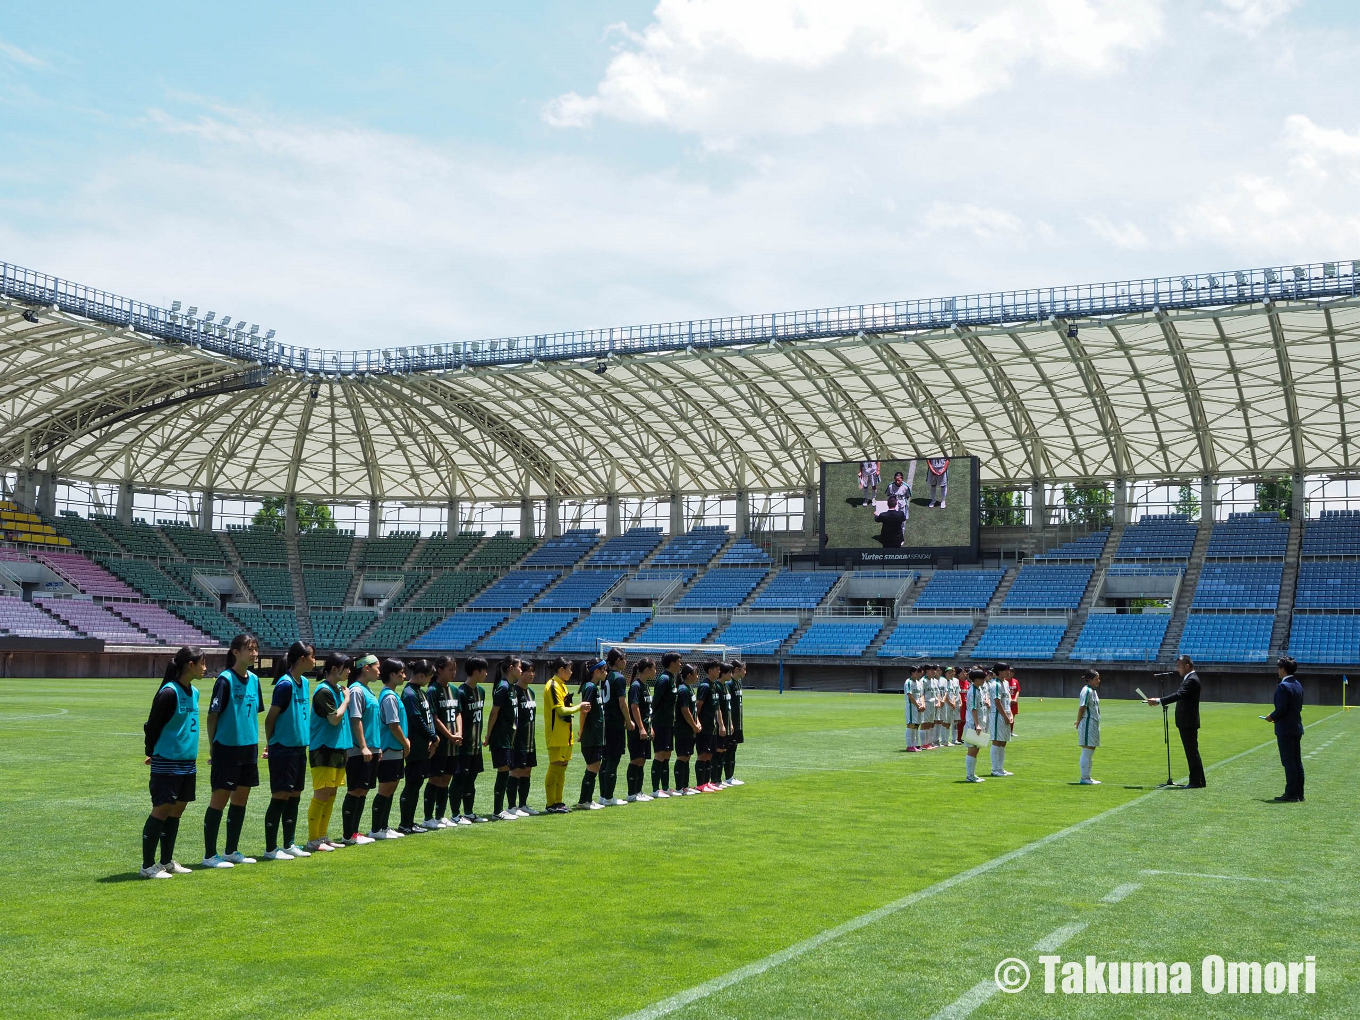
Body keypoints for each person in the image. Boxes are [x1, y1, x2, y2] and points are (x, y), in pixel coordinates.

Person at [141, 645, 206, 878]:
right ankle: (147, 866)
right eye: (202, 663)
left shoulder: (194, 692)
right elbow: (152, 726)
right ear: (190, 665)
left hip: (187, 762)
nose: (205, 668)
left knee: (177, 811)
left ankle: (166, 861)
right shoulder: (169, 693)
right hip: (167, 760)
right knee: (162, 809)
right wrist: (151, 751)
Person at [202, 634, 264, 868]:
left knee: (241, 800)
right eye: (249, 649)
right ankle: (210, 855)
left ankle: (231, 851)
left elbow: (253, 712)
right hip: (227, 748)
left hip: (248, 747)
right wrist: (213, 746)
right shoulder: (225, 680)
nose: (254, 653)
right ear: (236, 652)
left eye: (255, 649)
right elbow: (212, 717)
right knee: (219, 800)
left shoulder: (255, 680)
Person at [262, 640, 316, 861]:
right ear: (302, 658)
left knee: (295, 795)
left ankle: (289, 844)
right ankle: (270, 849)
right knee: (280, 796)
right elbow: (270, 719)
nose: (315, 660)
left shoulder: (304, 682)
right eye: (313, 656)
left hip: (299, 748)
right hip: (283, 749)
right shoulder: (285, 685)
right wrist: (272, 742)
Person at [305, 652, 353, 853]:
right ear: (334, 669)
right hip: (324, 749)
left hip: (337, 749)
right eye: (346, 667)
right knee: (322, 794)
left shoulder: (336, 690)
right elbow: (334, 719)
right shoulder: (324, 691)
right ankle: (313, 840)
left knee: (331, 794)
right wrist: (347, 700)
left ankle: (322, 836)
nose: (349, 671)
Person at [340, 654, 381, 845]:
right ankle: (348, 834)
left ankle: (355, 832)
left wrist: (376, 747)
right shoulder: (357, 690)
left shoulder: (367, 690)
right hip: (359, 750)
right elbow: (355, 720)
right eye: (377, 667)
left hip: (371, 748)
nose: (379, 671)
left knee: (363, 790)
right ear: (366, 668)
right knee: (356, 789)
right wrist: (363, 746)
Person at [1147, 654, 1205, 788]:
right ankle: (1199, 780)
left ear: (1187, 666)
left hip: (1188, 721)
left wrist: (1159, 701)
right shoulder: (1190, 679)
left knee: (1191, 752)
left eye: (1179, 666)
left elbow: (1179, 694)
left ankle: (1196, 781)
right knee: (1192, 751)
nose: (1177, 669)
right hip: (1187, 721)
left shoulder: (1192, 679)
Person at [368, 658, 410, 839]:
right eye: (401, 673)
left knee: (391, 787)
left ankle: (383, 827)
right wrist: (406, 743)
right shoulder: (389, 697)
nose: (404, 676)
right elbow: (393, 725)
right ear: (392, 675)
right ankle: (376, 829)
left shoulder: (391, 695)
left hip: (394, 748)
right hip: (390, 748)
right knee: (386, 789)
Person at [397, 658, 437, 834]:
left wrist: (431, 739)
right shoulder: (409, 694)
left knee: (417, 783)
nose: (429, 680)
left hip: (423, 745)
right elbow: (417, 720)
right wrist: (433, 736)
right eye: (428, 677)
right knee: (412, 784)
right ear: (421, 675)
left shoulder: (420, 692)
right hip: (414, 746)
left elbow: (428, 718)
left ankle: (410, 822)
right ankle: (405, 824)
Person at [543, 656, 586, 813]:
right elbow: (560, 710)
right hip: (556, 735)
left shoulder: (562, 685)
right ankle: (550, 804)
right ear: (561, 669)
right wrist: (579, 707)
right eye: (569, 669)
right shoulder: (552, 685)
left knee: (562, 769)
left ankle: (558, 802)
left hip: (566, 734)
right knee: (555, 768)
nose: (571, 672)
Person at [422, 655, 459, 828]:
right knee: (435, 779)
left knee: (446, 780)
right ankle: (428, 817)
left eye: (455, 669)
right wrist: (450, 736)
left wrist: (458, 732)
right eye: (450, 669)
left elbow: (458, 713)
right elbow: (434, 718)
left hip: (454, 744)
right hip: (439, 744)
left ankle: (440, 816)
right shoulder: (433, 691)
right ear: (439, 670)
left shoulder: (455, 690)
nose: (454, 672)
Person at [485, 656, 521, 821]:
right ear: (511, 667)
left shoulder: (511, 687)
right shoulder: (503, 686)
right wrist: (488, 735)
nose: (521, 670)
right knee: (503, 771)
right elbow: (494, 712)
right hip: (501, 737)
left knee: (505, 771)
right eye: (520, 667)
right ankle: (497, 810)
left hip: (509, 736)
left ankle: (500, 809)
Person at [452, 657, 488, 822]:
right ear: (475, 671)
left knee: (471, 779)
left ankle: (468, 812)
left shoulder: (481, 691)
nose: (486, 673)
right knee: (459, 779)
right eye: (484, 670)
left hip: (476, 745)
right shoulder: (461, 692)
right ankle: (455, 814)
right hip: (463, 745)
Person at [1266, 656, 1305, 802]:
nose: (1278, 670)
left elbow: (1281, 708)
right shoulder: (1298, 685)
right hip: (1296, 727)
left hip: (1286, 729)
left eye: (1279, 668)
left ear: (1283, 669)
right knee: (1297, 762)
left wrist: (1271, 716)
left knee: (1288, 762)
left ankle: (1291, 794)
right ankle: (1299, 793)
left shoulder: (1283, 686)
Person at [599, 648, 633, 807]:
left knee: (606, 760)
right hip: (615, 723)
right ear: (618, 660)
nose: (626, 662)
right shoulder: (619, 678)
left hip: (606, 722)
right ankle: (608, 797)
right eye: (624, 659)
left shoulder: (606, 677)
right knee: (613, 760)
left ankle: (603, 795)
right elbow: (622, 702)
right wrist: (628, 720)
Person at [574, 659, 607, 809]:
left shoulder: (593, 687)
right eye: (604, 669)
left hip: (596, 734)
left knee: (594, 767)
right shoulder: (590, 687)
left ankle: (588, 799)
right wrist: (581, 730)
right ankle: (584, 801)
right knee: (592, 768)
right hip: (591, 735)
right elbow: (584, 711)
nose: (606, 672)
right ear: (597, 671)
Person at [510, 658, 540, 816]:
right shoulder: (514, 692)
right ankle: (512, 806)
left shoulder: (531, 692)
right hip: (517, 740)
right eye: (528, 671)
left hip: (530, 740)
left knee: (527, 772)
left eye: (533, 671)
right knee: (515, 772)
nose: (531, 674)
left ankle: (523, 805)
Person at [650, 652, 680, 797]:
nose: (680, 664)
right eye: (678, 661)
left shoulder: (672, 678)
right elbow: (655, 701)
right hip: (660, 722)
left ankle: (666, 787)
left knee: (667, 753)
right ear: (672, 663)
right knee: (660, 754)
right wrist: (653, 719)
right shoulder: (664, 679)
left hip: (669, 723)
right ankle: (655, 790)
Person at [695, 661, 727, 792]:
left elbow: (717, 708)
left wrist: (721, 725)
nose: (719, 671)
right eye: (717, 669)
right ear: (710, 671)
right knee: (703, 755)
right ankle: (700, 784)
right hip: (704, 727)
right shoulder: (705, 686)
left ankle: (707, 782)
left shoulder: (714, 685)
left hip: (712, 727)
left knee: (709, 755)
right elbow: (698, 706)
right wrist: (697, 721)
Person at [626, 658, 655, 802]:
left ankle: (639, 791)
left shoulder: (646, 686)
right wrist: (642, 728)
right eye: (654, 668)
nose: (655, 671)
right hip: (637, 730)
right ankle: (632, 793)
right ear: (647, 669)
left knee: (642, 760)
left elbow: (647, 710)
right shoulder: (636, 686)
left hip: (646, 729)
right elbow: (634, 707)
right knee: (636, 759)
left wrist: (650, 727)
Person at [674, 663, 701, 794]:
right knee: (682, 757)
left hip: (689, 729)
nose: (698, 676)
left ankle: (685, 786)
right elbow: (685, 711)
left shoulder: (689, 688)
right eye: (696, 673)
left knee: (687, 756)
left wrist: (697, 722)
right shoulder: (683, 690)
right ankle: (680, 787)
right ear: (689, 675)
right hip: (683, 729)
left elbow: (693, 709)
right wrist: (694, 725)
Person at [986, 663, 1015, 777]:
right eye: (1006, 670)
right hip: (998, 715)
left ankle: (1000, 768)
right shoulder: (995, 684)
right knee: (997, 741)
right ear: (999, 672)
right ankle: (995, 769)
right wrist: (1005, 716)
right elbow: (997, 702)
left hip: (1006, 714)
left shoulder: (1006, 683)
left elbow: (1007, 701)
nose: (1008, 672)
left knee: (1003, 741)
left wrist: (1010, 714)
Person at [963, 667, 990, 782]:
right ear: (976, 679)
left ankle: (972, 774)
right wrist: (977, 724)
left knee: (976, 749)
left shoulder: (978, 689)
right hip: (973, 723)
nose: (984, 681)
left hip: (978, 722)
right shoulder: (973, 691)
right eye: (982, 679)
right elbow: (973, 709)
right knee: (972, 750)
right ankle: (970, 776)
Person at [1075, 668, 1101, 785]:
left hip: (1093, 723)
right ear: (1089, 679)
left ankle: (1087, 777)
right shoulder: (1086, 691)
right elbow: (1082, 707)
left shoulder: (1093, 691)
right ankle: (1084, 778)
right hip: (1088, 722)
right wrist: (1078, 721)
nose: (1099, 681)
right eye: (1096, 679)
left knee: (1091, 750)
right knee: (1087, 750)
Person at [712, 662, 734, 787]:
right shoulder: (717, 687)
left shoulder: (725, 686)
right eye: (729, 672)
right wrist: (721, 724)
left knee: (723, 751)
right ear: (723, 673)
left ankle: (719, 780)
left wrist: (730, 723)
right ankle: (715, 780)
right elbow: (717, 708)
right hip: (720, 726)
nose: (731, 674)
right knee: (718, 752)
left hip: (726, 724)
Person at [724, 659, 746, 785]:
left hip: (738, 723)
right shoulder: (729, 684)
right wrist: (730, 722)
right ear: (737, 669)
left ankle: (730, 776)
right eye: (744, 669)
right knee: (729, 750)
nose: (745, 672)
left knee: (733, 750)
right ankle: (727, 777)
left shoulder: (738, 683)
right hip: (730, 724)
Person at [904, 664, 926, 752]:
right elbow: (910, 695)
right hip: (911, 706)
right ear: (912, 672)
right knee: (911, 725)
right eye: (917, 672)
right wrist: (918, 706)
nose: (919, 673)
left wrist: (923, 705)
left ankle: (915, 745)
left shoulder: (919, 683)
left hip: (919, 706)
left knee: (916, 725)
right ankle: (909, 745)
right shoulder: (908, 682)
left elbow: (921, 695)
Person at [945, 666, 962, 746]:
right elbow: (945, 694)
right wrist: (950, 703)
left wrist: (958, 702)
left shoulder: (955, 681)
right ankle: (945, 740)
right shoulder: (944, 681)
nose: (952, 673)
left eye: (953, 671)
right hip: (948, 703)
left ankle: (954, 739)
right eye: (950, 672)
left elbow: (957, 692)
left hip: (955, 702)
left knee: (955, 721)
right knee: (947, 722)